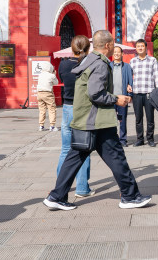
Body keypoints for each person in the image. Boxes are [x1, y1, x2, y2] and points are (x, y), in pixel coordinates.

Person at [44, 30, 151, 210]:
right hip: (97, 119)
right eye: (112, 45)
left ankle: (56, 196)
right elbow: (95, 92)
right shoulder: (100, 64)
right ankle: (130, 196)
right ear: (108, 45)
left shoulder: (88, 60)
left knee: (75, 157)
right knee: (116, 157)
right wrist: (117, 99)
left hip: (88, 119)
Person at [57, 35, 94, 198]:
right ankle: (82, 188)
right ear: (88, 49)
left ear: (72, 49)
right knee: (83, 148)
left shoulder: (63, 64)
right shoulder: (89, 64)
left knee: (65, 148)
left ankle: (61, 185)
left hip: (67, 107)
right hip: (82, 108)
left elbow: (62, 79)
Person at [130, 39, 158, 147]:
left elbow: (157, 76)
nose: (140, 48)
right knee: (138, 118)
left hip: (149, 93)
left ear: (146, 47)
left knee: (150, 118)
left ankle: (150, 139)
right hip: (137, 93)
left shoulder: (152, 60)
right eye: (138, 46)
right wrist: (129, 86)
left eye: (142, 46)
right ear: (136, 48)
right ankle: (139, 139)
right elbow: (130, 77)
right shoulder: (133, 61)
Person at [111, 45, 133, 146]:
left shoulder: (127, 66)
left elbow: (130, 82)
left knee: (122, 119)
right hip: (110, 98)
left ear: (122, 54)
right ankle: (113, 139)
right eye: (114, 52)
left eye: (118, 52)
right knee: (111, 120)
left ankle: (123, 139)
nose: (116, 54)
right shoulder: (108, 65)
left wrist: (129, 94)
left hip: (122, 97)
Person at [37, 61, 58, 131]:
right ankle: (52, 126)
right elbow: (56, 83)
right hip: (48, 93)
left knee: (42, 110)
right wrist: (54, 75)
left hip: (39, 93)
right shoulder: (51, 75)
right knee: (52, 109)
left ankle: (41, 125)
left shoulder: (40, 75)